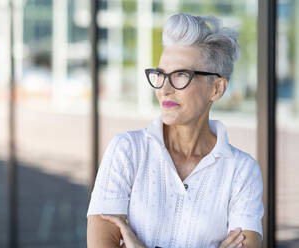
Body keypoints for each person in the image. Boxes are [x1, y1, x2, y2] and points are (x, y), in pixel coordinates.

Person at [86, 13, 264, 248]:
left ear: (217, 88)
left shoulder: (242, 171)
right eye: (160, 74)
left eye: (182, 75)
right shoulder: (127, 151)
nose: (165, 89)